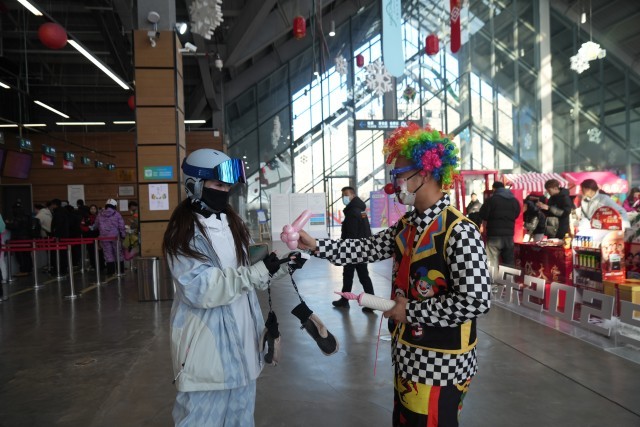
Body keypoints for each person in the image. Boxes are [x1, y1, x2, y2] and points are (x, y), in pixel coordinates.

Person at [296, 124, 491, 426]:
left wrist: (409, 310)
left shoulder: (459, 231)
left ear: (423, 174)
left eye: (399, 175)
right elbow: (368, 248)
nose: (393, 183)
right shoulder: (410, 224)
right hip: (409, 357)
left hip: (441, 363)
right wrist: (317, 246)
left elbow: (476, 301)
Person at [164, 149, 292, 427]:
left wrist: (282, 266)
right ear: (193, 186)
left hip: (244, 350)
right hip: (207, 355)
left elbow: (246, 278)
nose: (225, 191)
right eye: (218, 185)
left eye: (227, 186)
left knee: (241, 421)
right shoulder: (183, 234)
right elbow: (201, 289)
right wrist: (257, 271)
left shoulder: (231, 224)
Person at [332, 186, 376, 311]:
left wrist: (344, 249)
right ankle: (347, 300)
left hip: (353, 250)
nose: (343, 198)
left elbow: (351, 234)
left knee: (353, 276)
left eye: (346, 195)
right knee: (358, 275)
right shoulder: (360, 210)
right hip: (361, 248)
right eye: (342, 195)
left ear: (353, 195)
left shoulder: (353, 212)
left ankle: (368, 303)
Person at [479, 182, 520, 269]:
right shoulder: (514, 200)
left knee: (492, 260)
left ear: (494, 189)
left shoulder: (491, 200)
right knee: (509, 261)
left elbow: (483, 215)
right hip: (509, 236)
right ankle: (509, 281)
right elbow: (516, 214)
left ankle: (493, 281)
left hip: (494, 235)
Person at [94, 199, 126, 275]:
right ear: (114, 206)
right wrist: (123, 235)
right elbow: (121, 226)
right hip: (115, 237)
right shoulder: (117, 214)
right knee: (118, 253)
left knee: (108, 254)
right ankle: (120, 271)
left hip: (104, 237)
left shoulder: (100, 214)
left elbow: (96, 225)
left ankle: (111, 272)